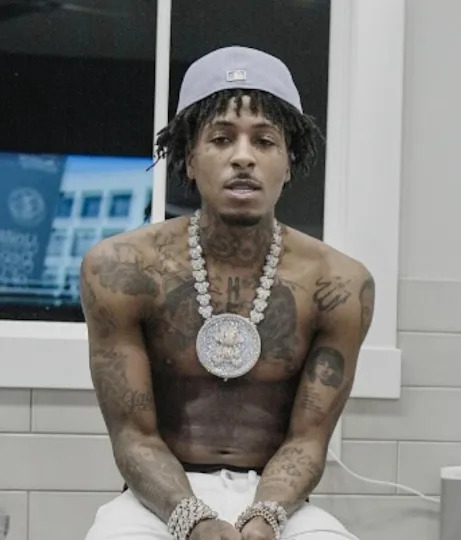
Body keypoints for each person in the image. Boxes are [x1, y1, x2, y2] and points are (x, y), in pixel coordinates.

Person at [81, 46, 373, 540]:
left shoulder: (339, 283)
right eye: (221, 138)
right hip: (158, 498)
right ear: (189, 159)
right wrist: (191, 519)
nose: (243, 157)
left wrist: (266, 516)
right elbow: (134, 436)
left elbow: (307, 439)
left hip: (278, 498)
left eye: (264, 141)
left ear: (289, 161)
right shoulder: (120, 269)